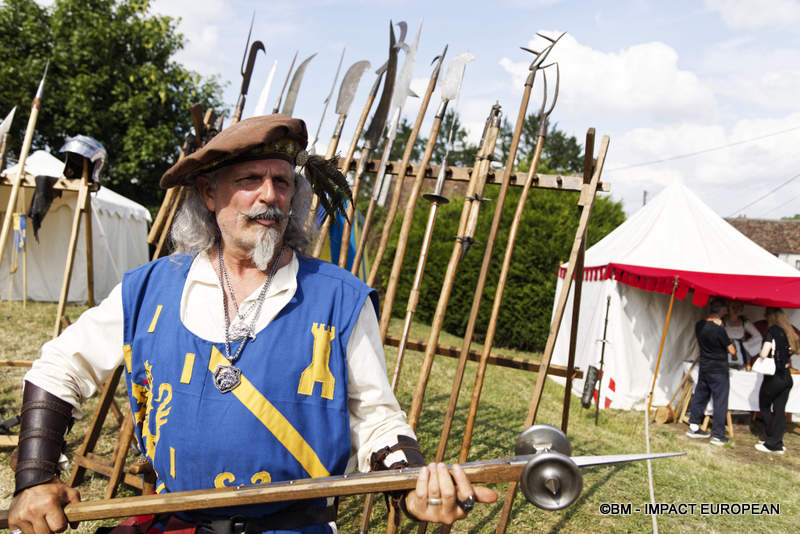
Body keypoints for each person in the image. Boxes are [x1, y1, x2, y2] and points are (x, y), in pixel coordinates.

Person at [8, 115, 496, 534]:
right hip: (175, 522)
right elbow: (60, 367)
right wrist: (34, 478)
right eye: (250, 179)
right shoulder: (151, 287)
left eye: (282, 182)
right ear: (209, 193)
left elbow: (375, 419)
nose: (270, 196)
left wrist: (412, 485)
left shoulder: (339, 298)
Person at [686, 297, 736, 446]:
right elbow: (732, 350)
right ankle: (718, 435)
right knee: (720, 401)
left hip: (705, 366)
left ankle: (694, 426)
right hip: (719, 368)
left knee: (700, 395)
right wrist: (723, 331)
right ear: (721, 311)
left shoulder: (699, 325)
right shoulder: (719, 330)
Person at [754, 307, 799, 454]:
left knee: (765, 406)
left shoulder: (772, 331)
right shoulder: (790, 332)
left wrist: (762, 354)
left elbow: (764, 353)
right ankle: (777, 442)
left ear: (770, 317)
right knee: (780, 410)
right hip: (787, 376)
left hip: (774, 376)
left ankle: (771, 441)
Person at [723, 300, 762, 369]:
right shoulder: (722, 321)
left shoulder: (744, 322)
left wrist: (745, 345)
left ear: (741, 309)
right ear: (729, 307)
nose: (736, 310)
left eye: (738, 307)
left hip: (740, 354)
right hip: (724, 352)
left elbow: (758, 336)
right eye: (733, 307)